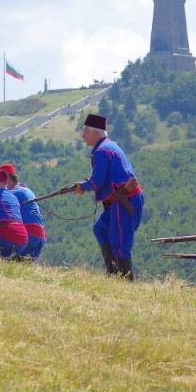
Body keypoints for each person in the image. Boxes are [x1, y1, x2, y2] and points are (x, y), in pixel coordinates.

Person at [73, 114, 145, 280]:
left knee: (120, 244)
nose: (83, 136)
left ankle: (126, 283)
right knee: (100, 228)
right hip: (124, 199)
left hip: (124, 200)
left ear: (96, 133)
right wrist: (86, 184)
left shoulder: (101, 151)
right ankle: (113, 272)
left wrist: (82, 187)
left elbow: (97, 182)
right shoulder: (110, 146)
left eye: (85, 131)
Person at [0, 162, 46, 261]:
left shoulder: (13, 193)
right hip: (40, 236)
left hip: (28, 234)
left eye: (0, 182)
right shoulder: (26, 190)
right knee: (29, 267)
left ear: (8, 180)